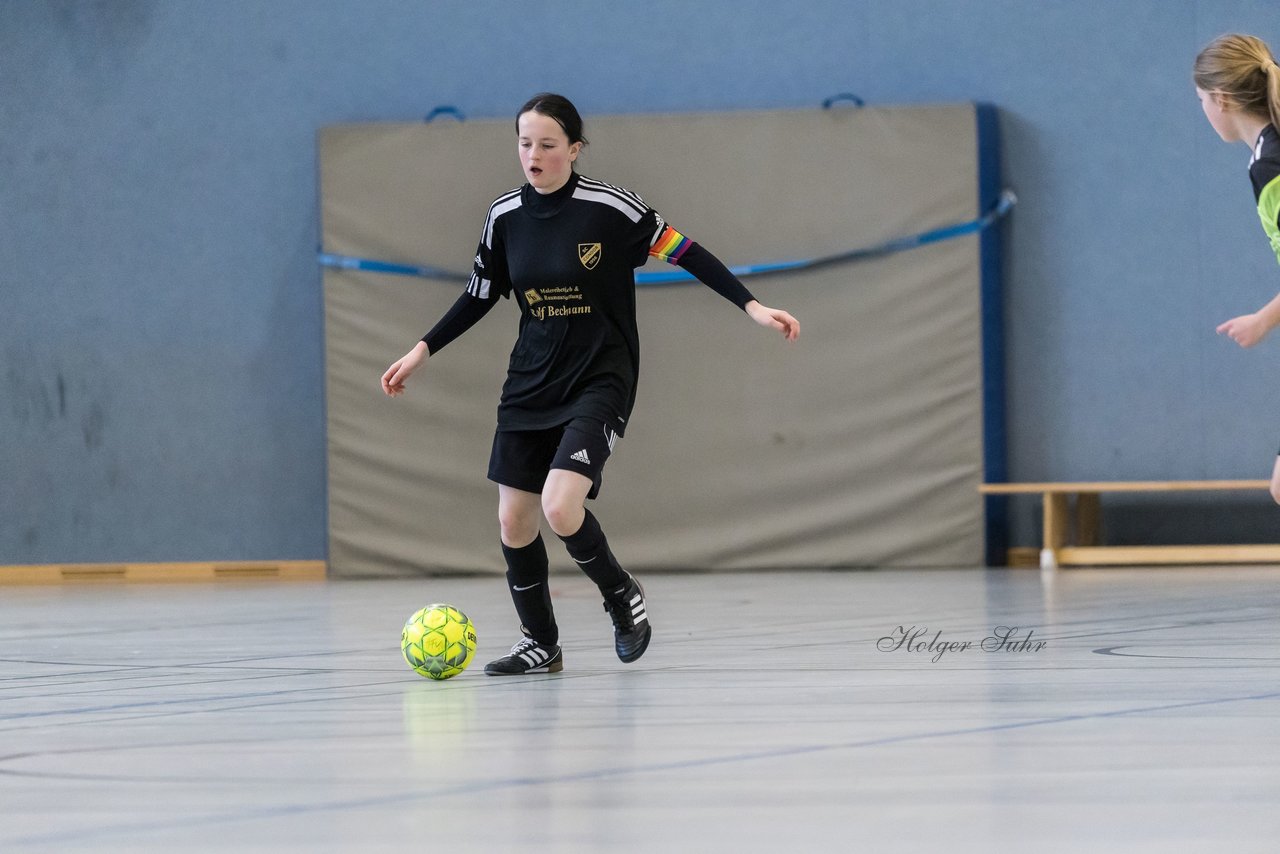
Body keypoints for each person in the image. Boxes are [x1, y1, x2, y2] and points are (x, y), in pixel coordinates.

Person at [381, 93, 800, 674]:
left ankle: (620, 594)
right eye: (525, 143)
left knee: (559, 505)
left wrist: (751, 306)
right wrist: (420, 350)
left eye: (548, 145)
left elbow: (685, 250)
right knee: (513, 519)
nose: (534, 155)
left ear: (574, 150)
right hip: (530, 381)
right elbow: (479, 294)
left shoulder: (610, 208)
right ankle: (540, 643)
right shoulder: (504, 217)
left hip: (600, 375)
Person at [1197, 34, 1280, 500]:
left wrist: (1262, 321)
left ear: (1221, 99)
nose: (1204, 113)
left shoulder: (1272, 166)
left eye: (1201, 101)